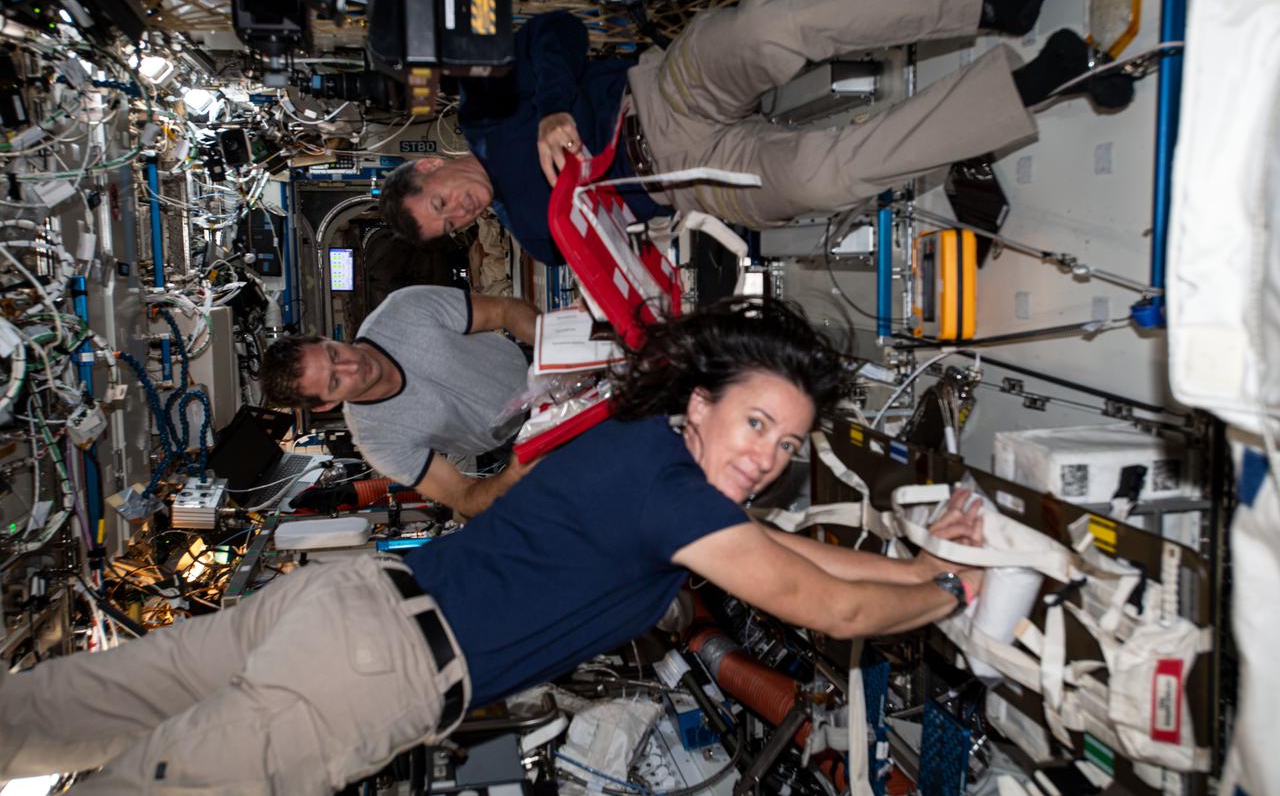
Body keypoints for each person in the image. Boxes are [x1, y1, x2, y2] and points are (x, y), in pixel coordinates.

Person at [0, 298, 984, 793]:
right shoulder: (660, 488)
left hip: (342, 608)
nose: (766, 455)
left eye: (785, 442)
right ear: (701, 403)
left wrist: (917, 557)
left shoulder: (650, 458)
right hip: (365, 667)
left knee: (94, 696)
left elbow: (794, 558)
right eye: (755, 423)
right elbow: (828, 606)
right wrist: (951, 587)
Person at [378, 0, 1130, 264]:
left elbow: (558, 31)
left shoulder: (482, 109)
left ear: (435, 165)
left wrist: (548, 109)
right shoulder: (538, 242)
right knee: (821, 183)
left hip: (663, 94)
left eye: (443, 201)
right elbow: (623, 252)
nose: (461, 213)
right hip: (690, 180)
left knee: (778, 26)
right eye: (449, 224)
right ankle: (1031, 85)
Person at [260, 285, 537, 517]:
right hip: (524, 441)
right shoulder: (378, 441)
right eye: (335, 381)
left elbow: (504, 310)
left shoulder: (403, 310)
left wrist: (556, 343)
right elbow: (463, 496)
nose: (352, 367)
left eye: (334, 354)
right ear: (325, 406)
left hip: (542, 367)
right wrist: (517, 472)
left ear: (324, 339)